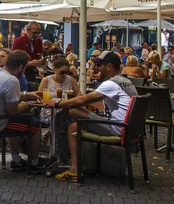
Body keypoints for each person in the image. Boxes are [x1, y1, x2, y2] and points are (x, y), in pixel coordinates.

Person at [49, 51, 138, 182]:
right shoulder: (125, 81)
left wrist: (58, 103)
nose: (97, 68)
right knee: (74, 118)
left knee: (73, 120)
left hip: (118, 129)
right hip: (130, 129)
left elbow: (82, 101)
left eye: (100, 65)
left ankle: (74, 170)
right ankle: (82, 161)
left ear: (109, 67)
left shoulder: (111, 84)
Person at [0, 50, 45, 171]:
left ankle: (16, 160)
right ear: (20, 68)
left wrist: (25, 94)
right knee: (34, 124)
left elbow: (3, 94)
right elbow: (12, 111)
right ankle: (34, 162)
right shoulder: (12, 80)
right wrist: (25, 104)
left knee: (17, 120)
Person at [38, 57, 81, 160]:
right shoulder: (46, 80)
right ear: (54, 69)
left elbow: (79, 96)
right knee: (64, 118)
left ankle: (49, 134)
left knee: (65, 116)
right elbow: (41, 99)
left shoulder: (71, 80)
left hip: (67, 110)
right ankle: (63, 155)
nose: (64, 75)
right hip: (49, 111)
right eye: (62, 72)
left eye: (67, 72)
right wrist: (49, 101)